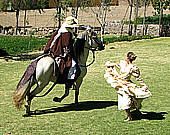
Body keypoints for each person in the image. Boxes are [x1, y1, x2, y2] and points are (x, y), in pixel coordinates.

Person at [104, 52, 152, 122]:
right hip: (119, 83)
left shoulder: (132, 67)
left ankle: (133, 108)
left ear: (128, 58)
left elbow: (137, 77)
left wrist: (144, 84)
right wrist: (109, 64)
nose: (125, 58)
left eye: (126, 57)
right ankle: (129, 116)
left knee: (129, 99)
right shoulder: (122, 63)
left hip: (127, 84)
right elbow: (115, 64)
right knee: (124, 100)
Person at [43, 16, 80, 86]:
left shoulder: (61, 30)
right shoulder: (67, 34)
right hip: (60, 52)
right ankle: (70, 81)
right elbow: (66, 46)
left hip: (52, 50)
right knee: (73, 64)